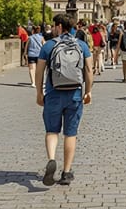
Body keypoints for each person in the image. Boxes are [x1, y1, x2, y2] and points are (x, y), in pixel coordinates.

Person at [35, 14, 93, 186]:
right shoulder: (81, 45)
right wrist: (88, 91)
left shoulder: (49, 46)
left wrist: (39, 93)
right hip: (75, 94)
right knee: (70, 133)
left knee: (52, 131)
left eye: (54, 26)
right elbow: (89, 70)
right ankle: (66, 172)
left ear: (59, 26)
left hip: (53, 94)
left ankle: (52, 159)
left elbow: (39, 72)